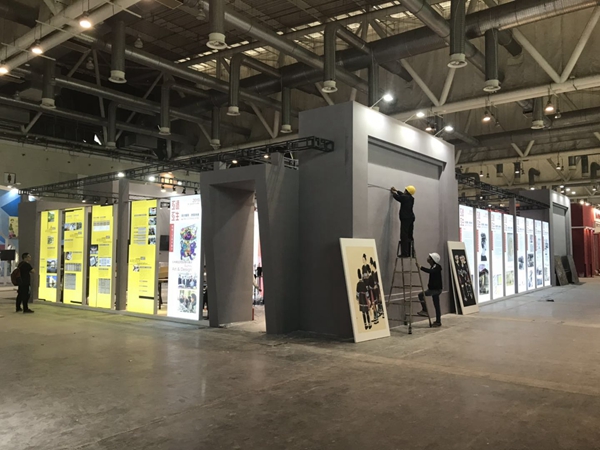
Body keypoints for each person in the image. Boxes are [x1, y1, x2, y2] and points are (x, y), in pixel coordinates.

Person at [416, 252, 442, 327]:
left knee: (421, 295)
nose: (428, 259)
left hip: (435, 290)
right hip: (435, 289)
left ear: (432, 260)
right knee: (436, 305)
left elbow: (431, 272)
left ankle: (425, 310)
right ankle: (438, 321)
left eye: (429, 258)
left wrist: (421, 267)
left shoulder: (437, 267)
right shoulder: (434, 266)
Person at [390, 185, 416, 257]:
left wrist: (393, 193)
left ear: (407, 191)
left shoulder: (405, 198)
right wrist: (396, 190)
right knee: (409, 235)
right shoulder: (411, 198)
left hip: (405, 219)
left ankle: (404, 253)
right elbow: (402, 195)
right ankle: (411, 253)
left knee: (404, 235)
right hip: (411, 218)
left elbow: (398, 197)